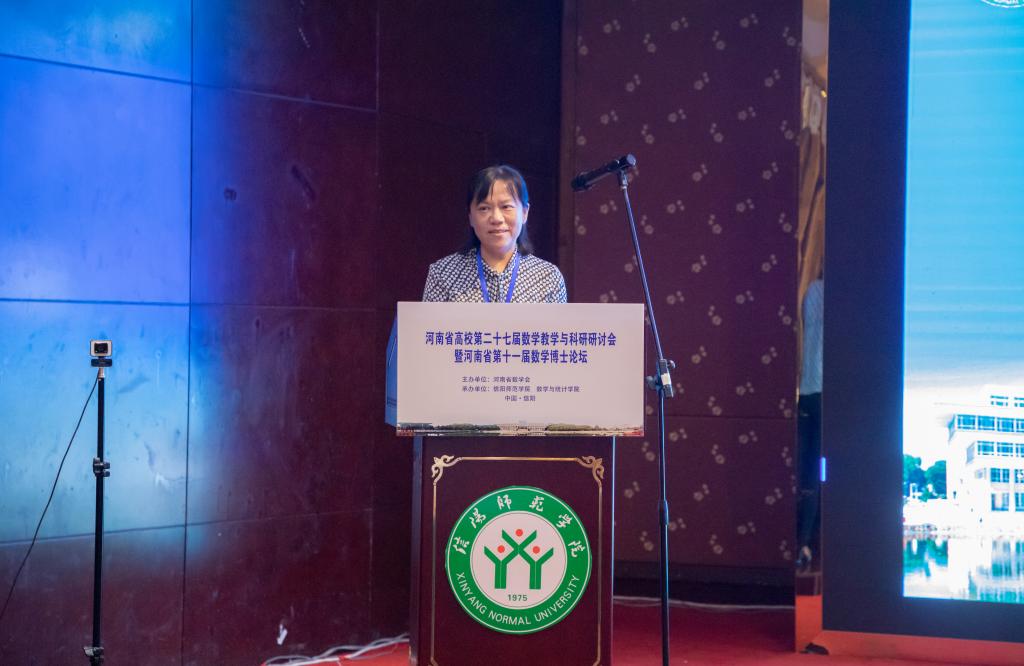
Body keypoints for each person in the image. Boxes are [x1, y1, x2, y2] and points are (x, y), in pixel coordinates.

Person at [422, 165, 567, 303]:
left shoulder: (548, 278)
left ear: (524, 212)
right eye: (484, 208)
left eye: (506, 207)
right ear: (470, 216)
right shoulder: (442, 275)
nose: (496, 218)